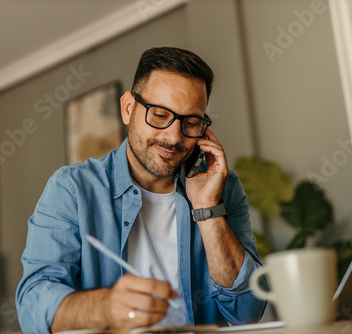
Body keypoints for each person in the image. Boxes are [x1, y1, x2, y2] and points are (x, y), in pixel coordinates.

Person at [16, 47, 267, 333]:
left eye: (191, 122)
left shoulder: (222, 187)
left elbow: (247, 313)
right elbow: (32, 306)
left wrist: (208, 209)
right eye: (159, 115)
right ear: (128, 108)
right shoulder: (73, 189)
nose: (174, 137)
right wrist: (106, 307)